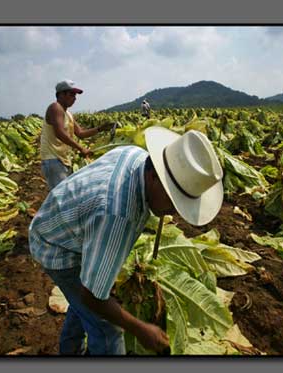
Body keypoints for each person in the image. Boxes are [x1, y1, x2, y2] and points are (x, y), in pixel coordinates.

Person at [28, 126, 224, 355]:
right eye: (173, 200)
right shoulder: (118, 215)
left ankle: (69, 350)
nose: (175, 211)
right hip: (56, 246)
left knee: (83, 302)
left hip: (68, 224)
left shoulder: (136, 156)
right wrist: (140, 328)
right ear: (154, 177)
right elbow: (92, 296)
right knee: (107, 329)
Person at [40, 79, 114, 189]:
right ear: (61, 94)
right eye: (71, 94)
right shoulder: (55, 108)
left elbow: (80, 133)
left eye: (75, 95)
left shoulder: (68, 114)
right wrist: (81, 148)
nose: (75, 98)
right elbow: (60, 133)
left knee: (64, 195)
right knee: (61, 196)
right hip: (53, 159)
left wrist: (100, 128)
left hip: (63, 159)